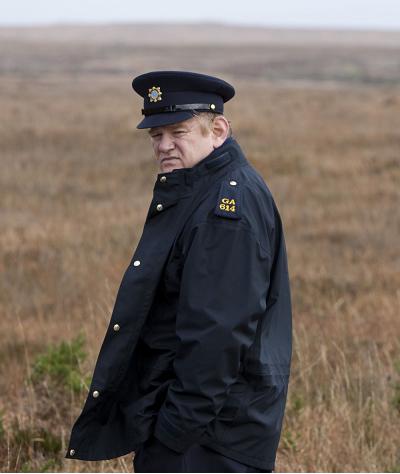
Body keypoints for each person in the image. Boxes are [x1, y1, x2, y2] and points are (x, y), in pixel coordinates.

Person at [65, 70, 292, 473]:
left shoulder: (225, 210)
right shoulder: (202, 190)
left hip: (209, 439)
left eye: (178, 132)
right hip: (203, 432)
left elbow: (217, 336)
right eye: (156, 135)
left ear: (217, 130)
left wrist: (172, 434)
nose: (164, 145)